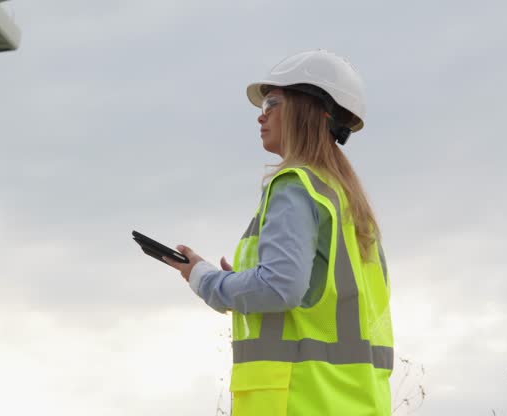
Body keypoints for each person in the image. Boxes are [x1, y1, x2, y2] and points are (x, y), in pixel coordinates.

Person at [164, 50, 394, 415]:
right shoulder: (348, 202)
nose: (262, 114)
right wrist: (244, 283)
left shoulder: (295, 186)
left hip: (298, 401)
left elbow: (278, 287)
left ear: (306, 110)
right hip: (356, 403)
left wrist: (205, 278)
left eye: (272, 103)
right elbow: (317, 301)